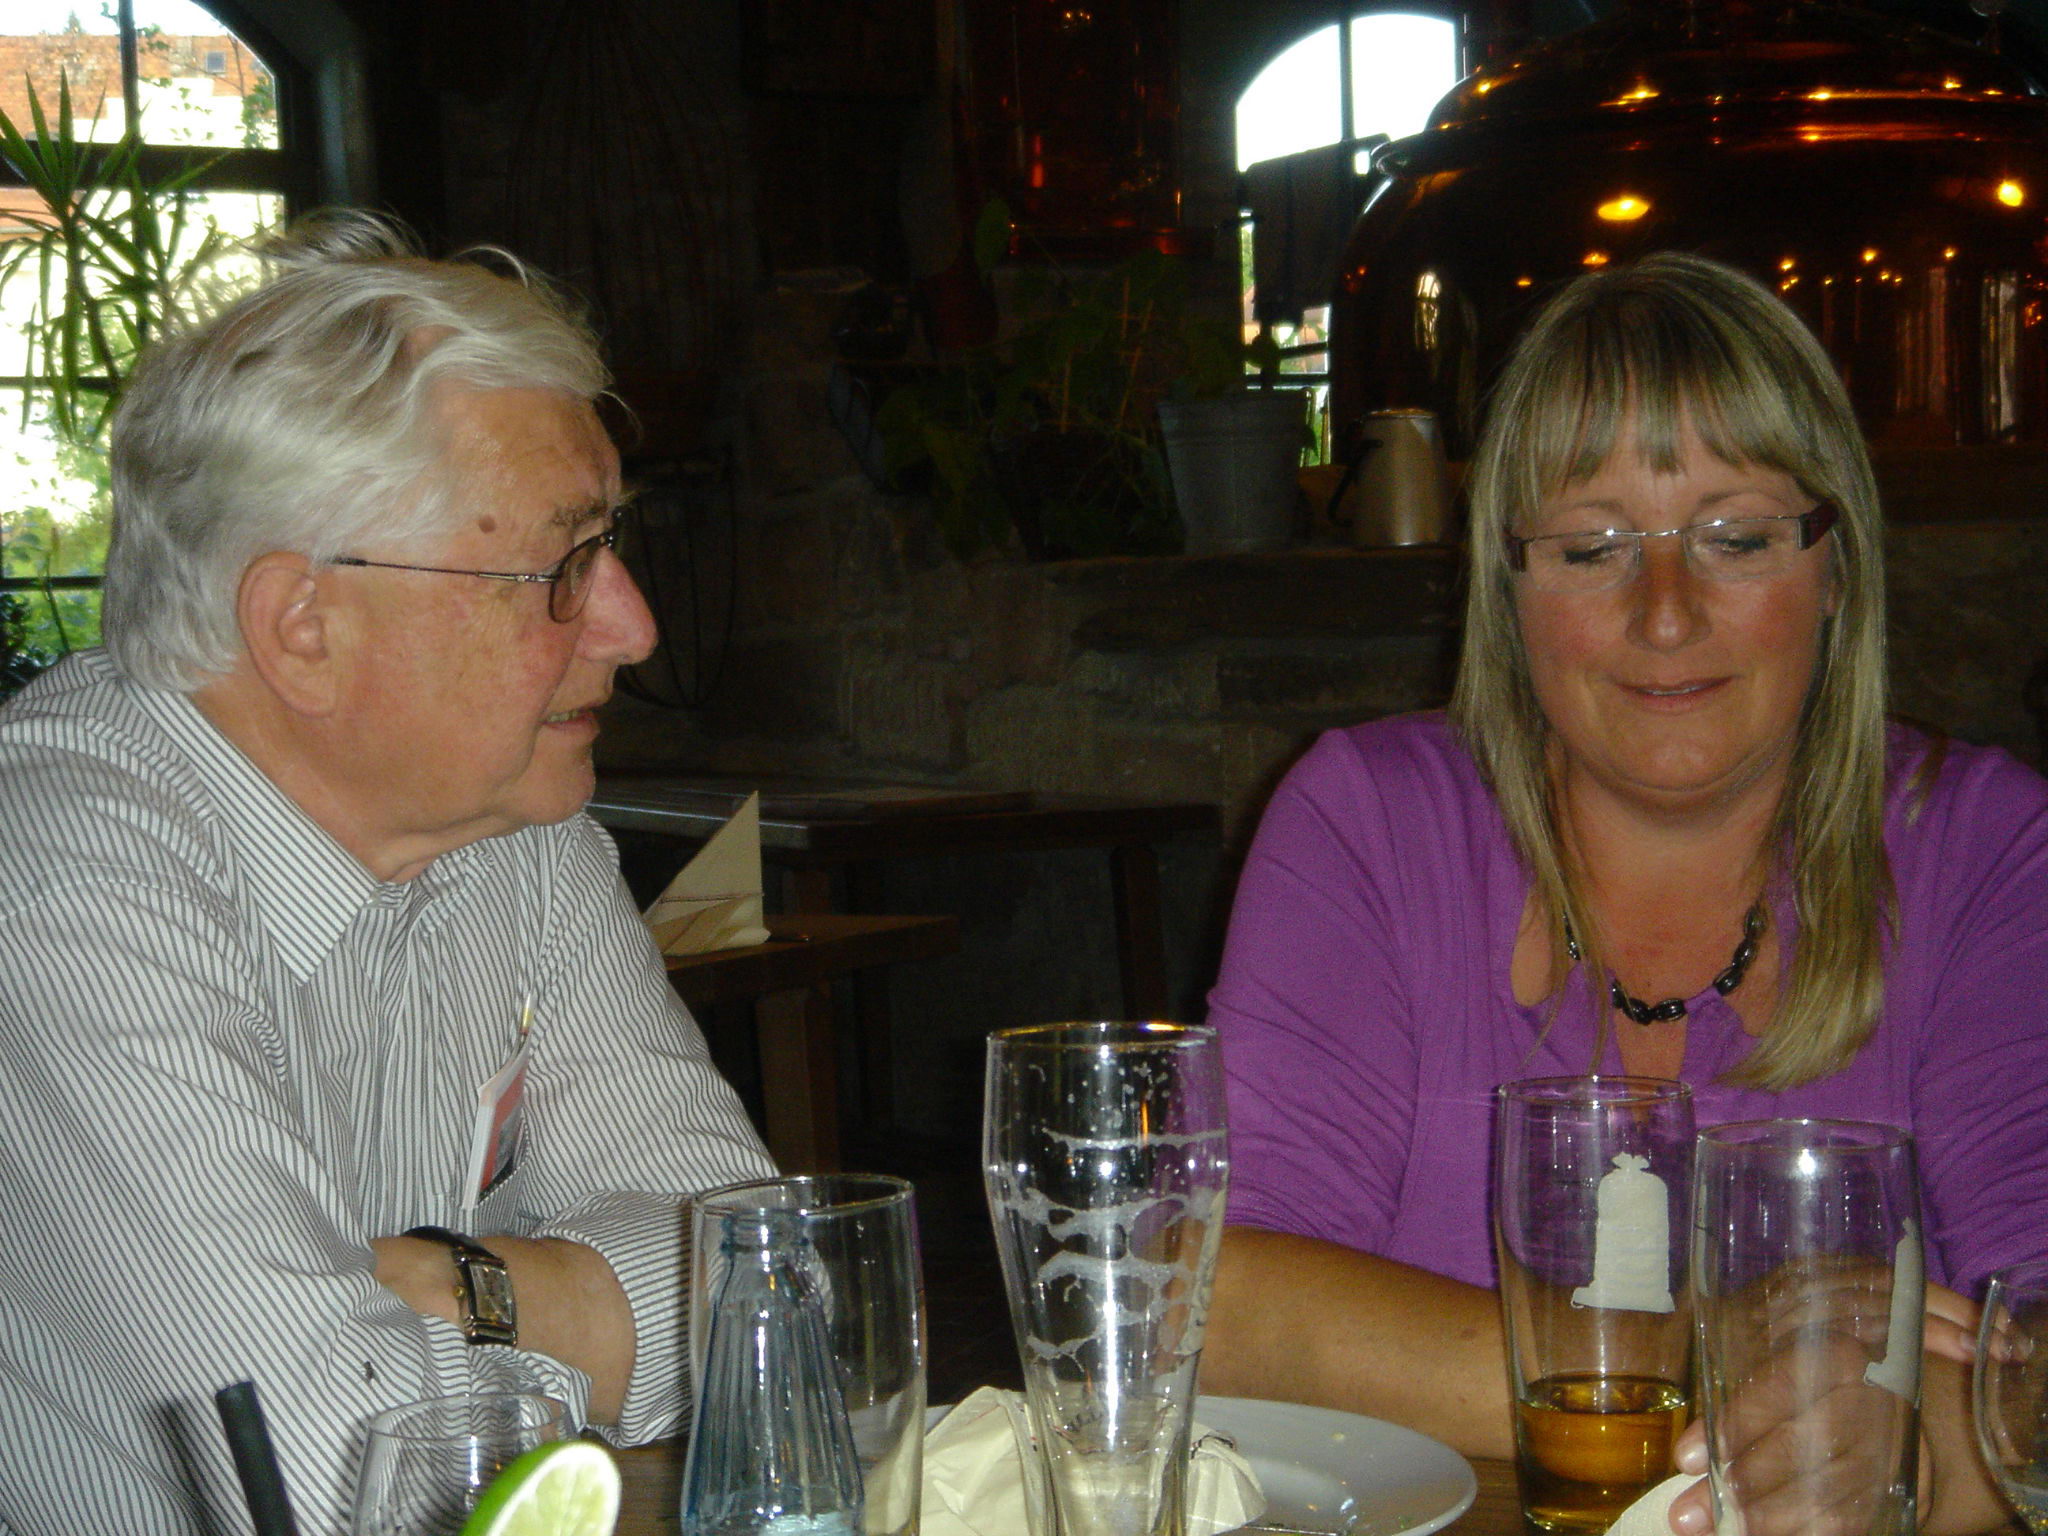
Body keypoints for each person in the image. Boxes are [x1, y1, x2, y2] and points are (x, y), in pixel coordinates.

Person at [1200, 253, 2048, 1535]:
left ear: (1834, 567)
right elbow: (1222, 1310)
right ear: (1508, 585)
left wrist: (1908, 1457)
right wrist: (1720, 1357)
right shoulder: (1365, 819)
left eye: (1735, 538)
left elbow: (2035, 1345)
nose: (1663, 614)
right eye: (1590, 547)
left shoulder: (1986, 848)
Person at [0, 213, 776, 1534]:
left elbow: (765, 1292)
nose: (632, 626)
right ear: (303, 627)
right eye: (563, 567)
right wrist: (589, 1310)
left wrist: (464, 1287)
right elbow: (340, 1467)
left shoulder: (513, 824)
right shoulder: (59, 891)